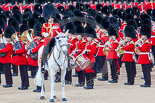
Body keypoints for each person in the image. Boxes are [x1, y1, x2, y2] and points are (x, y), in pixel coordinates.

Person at [40, 3, 61, 73]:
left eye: (52, 18)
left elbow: (59, 33)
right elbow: (42, 32)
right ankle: (43, 65)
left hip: (55, 40)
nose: (51, 19)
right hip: (48, 40)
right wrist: (44, 34)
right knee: (45, 51)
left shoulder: (57, 25)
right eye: (49, 17)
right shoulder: (45, 25)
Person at [83, 25, 97, 89]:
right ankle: (88, 84)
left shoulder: (92, 43)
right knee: (87, 72)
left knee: (90, 72)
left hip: (91, 59)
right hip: (87, 59)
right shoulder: (88, 43)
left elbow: (93, 51)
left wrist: (86, 52)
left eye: (88, 37)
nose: (87, 38)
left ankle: (91, 85)